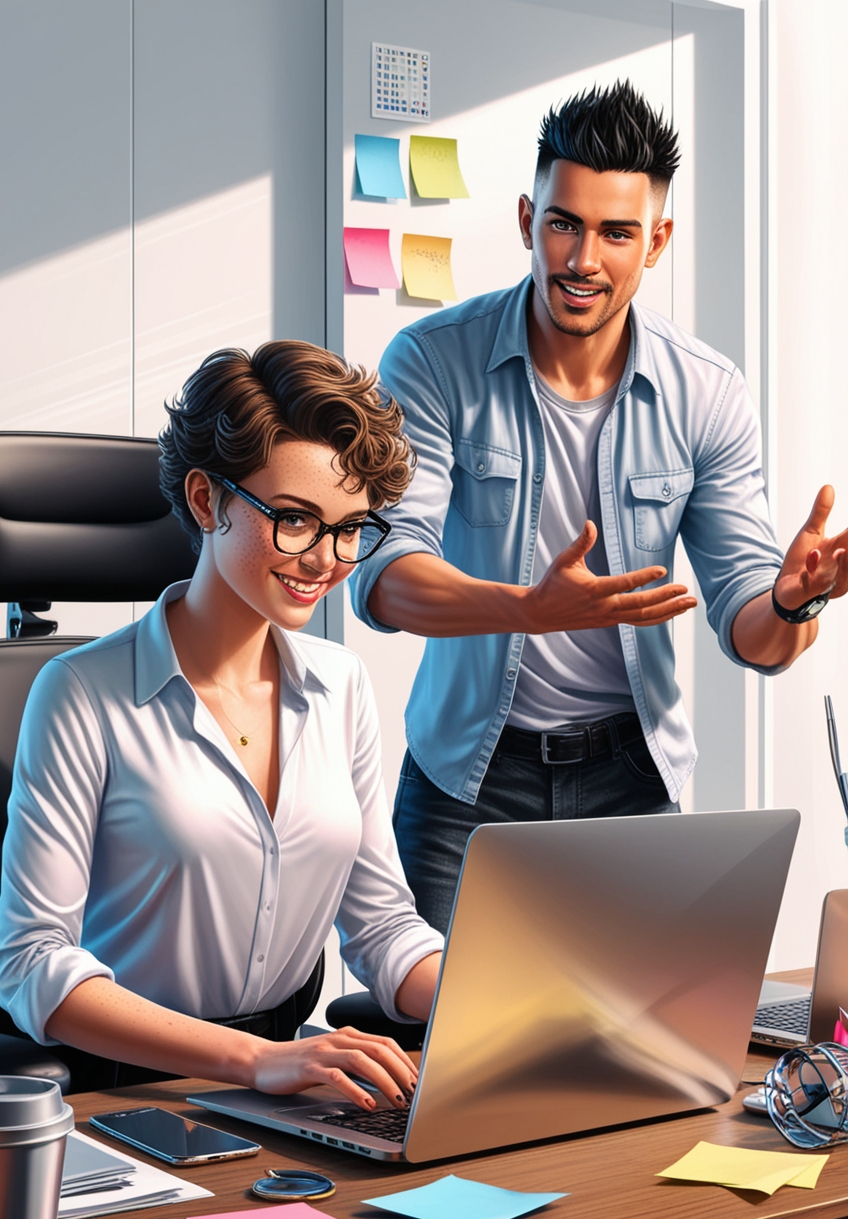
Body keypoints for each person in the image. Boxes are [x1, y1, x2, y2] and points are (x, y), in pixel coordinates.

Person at [350, 80, 848, 935]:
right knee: (447, 1061)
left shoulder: (708, 392)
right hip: (468, 783)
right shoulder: (432, 360)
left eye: (616, 232)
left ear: (655, 242)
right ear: (525, 220)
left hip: (634, 781)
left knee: (638, 1060)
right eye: (563, 223)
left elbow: (753, 632)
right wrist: (527, 610)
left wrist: (794, 599)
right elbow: (384, 577)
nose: (583, 259)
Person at [0, 341, 444, 1105]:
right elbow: (32, 962)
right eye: (295, 520)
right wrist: (250, 1059)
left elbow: (383, 928)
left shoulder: (340, 685)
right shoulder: (78, 694)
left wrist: (522, 1010)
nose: (326, 560)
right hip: (127, 1095)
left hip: (294, 1085)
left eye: (349, 528)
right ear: (208, 501)